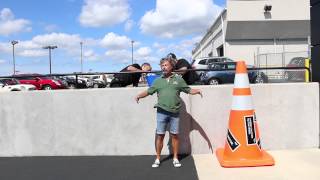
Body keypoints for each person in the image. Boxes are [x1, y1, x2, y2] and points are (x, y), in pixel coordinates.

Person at [135, 57, 202, 168]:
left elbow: (188, 89)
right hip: (161, 112)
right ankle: (157, 158)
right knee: (160, 135)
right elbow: (149, 91)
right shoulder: (158, 81)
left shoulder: (178, 79)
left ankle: (175, 158)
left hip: (174, 112)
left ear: (171, 66)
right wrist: (139, 96)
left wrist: (197, 91)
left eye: (166, 65)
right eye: (162, 65)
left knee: (174, 135)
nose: (163, 67)